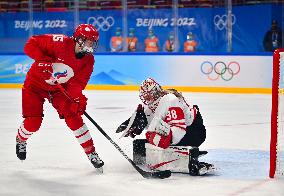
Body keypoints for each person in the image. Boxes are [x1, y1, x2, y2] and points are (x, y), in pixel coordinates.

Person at [16, 24, 104, 170]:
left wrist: (75, 98)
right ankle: (21, 139)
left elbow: (78, 83)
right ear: (79, 39)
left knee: (74, 117)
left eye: (93, 42)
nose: (91, 45)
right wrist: (43, 60)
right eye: (89, 41)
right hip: (35, 86)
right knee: (33, 123)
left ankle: (91, 152)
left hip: (59, 90)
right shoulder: (59, 42)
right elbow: (30, 44)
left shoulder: (88, 61)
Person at [116, 77, 214, 176]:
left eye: (148, 96)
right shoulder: (152, 105)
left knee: (160, 138)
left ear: (155, 93)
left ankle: (190, 159)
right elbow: (150, 120)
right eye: (145, 97)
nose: (146, 100)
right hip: (181, 130)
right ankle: (179, 152)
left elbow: (179, 130)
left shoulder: (170, 100)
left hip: (193, 132)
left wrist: (165, 141)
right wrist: (136, 121)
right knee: (140, 145)